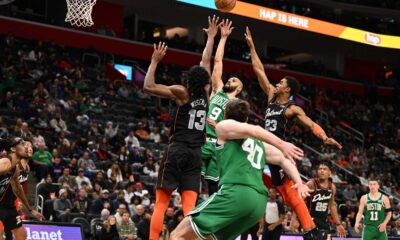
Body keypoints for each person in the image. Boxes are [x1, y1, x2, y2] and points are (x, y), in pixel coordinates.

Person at [245, 27, 342, 239]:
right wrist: (252, 46)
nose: (276, 84)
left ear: (288, 90)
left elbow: (310, 124)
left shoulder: (292, 109)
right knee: (251, 168)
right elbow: (258, 70)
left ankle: (310, 229)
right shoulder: (271, 96)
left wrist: (324, 137)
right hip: (265, 146)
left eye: (281, 83)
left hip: (280, 150)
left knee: (287, 194)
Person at [170, 99, 310, 240]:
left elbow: (255, 129)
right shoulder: (259, 143)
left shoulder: (223, 126)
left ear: (225, 114)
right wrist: (299, 181)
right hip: (258, 204)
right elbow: (284, 160)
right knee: (209, 238)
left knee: (177, 235)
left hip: (236, 193)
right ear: (246, 117)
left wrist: (282, 144)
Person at [144, 20, 212, 240]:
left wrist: (154, 61)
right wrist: (211, 38)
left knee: (161, 204)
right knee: (190, 208)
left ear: (188, 79)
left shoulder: (182, 92)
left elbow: (148, 87)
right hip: (195, 155)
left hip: (178, 150)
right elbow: (206, 61)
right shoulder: (207, 95)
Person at [202, 18, 244, 196]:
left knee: (214, 187)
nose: (229, 80)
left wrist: (219, 127)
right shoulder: (218, 90)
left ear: (239, 88)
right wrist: (223, 37)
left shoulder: (238, 106)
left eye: (234, 80)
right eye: (230, 78)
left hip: (219, 145)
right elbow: (218, 61)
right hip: (203, 140)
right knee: (190, 179)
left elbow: (238, 132)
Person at [0, 136, 44, 240]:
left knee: (22, 236)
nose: (27, 147)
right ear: (13, 149)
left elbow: (18, 190)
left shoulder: (15, 169)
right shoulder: (5, 162)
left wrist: (30, 210)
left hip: (7, 206)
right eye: (23, 144)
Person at [291, 161, 346, 239]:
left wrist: (338, 224)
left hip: (324, 221)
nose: (322, 171)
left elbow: (332, 206)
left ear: (329, 173)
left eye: (325, 169)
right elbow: (299, 200)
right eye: (320, 169)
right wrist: (294, 219)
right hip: (310, 220)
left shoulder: (332, 187)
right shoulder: (311, 184)